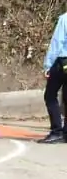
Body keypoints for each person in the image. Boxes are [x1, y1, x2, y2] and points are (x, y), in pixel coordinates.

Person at [41, 9, 67, 145]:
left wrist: (47, 65)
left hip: (63, 62)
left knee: (50, 95)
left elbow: (57, 43)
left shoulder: (64, 19)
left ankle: (57, 131)